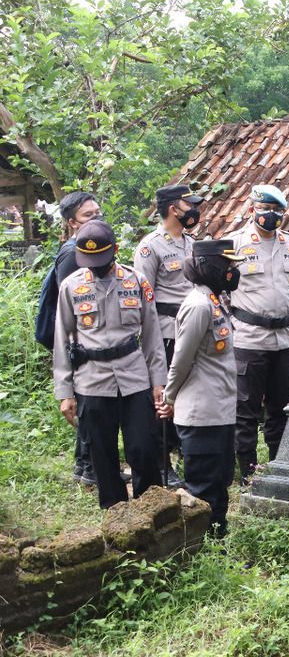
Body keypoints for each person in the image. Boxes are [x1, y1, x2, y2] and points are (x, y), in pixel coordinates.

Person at [52, 220, 168, 509]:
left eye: (101, 260)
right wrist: (65, 392)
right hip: (91, 381)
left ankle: (152, 510)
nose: (95, 266)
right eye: (89, 261)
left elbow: (152, 336)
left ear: (115, 250)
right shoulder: (72, 286)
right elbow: (62, 341)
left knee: (143, 447)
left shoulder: (136, 282)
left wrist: (158, 383)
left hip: (133, 376)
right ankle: (116, 514)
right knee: (102, 454)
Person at [155, 239, 243, 537]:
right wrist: (169, 397)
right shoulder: (198, 305)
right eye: (228, 266)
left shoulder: (215, 301)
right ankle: (202, 548)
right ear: (212, 268)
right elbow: (181, 359)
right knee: (204, 487)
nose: (233, 272)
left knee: (220, 483)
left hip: (220, 410)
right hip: (201, 413)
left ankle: (219, 540)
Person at [225, 184, 289, 483]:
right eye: (266, 209)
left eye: (277, 211)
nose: (271, 215)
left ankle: (277, 466)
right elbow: (222, 291)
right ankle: (247, 472)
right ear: (252, 210)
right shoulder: (234, 244)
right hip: (247, 338)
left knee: (281, 407)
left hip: (283, 339)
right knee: (245, 410)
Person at [135, 183, 205, 488]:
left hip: (194, 330)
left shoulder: (192, 243)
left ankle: (186, 455)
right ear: (173, 209)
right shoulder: (150, 247)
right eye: (188, 204)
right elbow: (143, 297)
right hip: (166, 331)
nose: (193, 209)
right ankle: (162, 462)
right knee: (164, 397)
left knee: (190, 394)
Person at [35, 190, 103, 485]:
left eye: (97, 212)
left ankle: (83, 467)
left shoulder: (90, 246)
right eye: (88, 215)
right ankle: (90, 469)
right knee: (89, 403)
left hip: (87, 338)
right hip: (79, 341)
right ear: (72, 222)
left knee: (92, 402)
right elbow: (71, 302)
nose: (96, 218)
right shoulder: (71, 252)